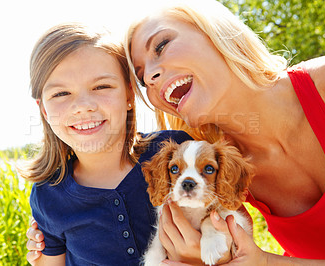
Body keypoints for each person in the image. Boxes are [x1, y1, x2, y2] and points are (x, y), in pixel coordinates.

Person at [27, 0, 325, 264]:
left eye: (162, 45)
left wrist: (265, 262)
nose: (150, 74)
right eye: (141, 76)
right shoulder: (216, 154)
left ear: (214, 30)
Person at [20, 22, 195, 265]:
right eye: (61, 94)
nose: (83, 105)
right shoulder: (49, 195)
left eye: (101, 86)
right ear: (45, 111)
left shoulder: (175, 151)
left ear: (129, 95)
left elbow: (231, 231)